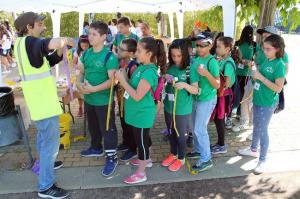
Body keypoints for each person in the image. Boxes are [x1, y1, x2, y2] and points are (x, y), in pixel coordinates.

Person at [14, 12, 74, 198]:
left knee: (43, 139)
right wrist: (65, 40)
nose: (43, 27)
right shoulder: (31, 42)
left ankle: (45, 164)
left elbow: (46, 62)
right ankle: (46, 187)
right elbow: (49, 43)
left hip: (39, 102)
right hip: (43, 103)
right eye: (39, 24)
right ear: (29, 27)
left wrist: (59, 51)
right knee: (50, 145)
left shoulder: (21, 45)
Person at [115, 37, 166, 184]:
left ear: (149, 53)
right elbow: (133, 86)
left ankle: (141, 172)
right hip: (137, 114)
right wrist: (124, 76)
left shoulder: (149, 72)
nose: (135, 53)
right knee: (142, 140)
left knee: (141, 143)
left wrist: (123, 81)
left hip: (142, 114)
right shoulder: (141, 67)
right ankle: (146, 160)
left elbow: (137, 95)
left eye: (138, 51)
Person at [238, 34, 286, 174]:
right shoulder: (267, 60)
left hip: (267, 102)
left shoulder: (279, 64)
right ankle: (253, 149)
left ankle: (263, 159)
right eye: (264, 48)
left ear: (277, 49)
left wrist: (260, 77)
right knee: (257, 125)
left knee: (263, 129)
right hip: (258, 99)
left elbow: (278, 88)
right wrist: (255, 75)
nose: (264, 51)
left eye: (268, 49)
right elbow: (261, 78)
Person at [77, 21, 119, 177]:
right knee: (93, 127)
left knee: (107, 130)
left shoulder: (109, 56)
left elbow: (113, 81)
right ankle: (96, 148)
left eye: (94, 34)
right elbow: (82, 72)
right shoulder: (86, 53)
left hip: (104, 102)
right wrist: (78, 83)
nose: (90, 37)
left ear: (103, 37)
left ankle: (111, 157)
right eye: (89, 33)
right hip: (89, 100)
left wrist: (94, 89)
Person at [162, 39, 198, 172]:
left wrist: (184, 85)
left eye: (179, 55)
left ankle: (181, 158)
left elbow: (196, 90)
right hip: (169, 106)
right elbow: (165, 76)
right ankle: (173, 153)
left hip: (182, 108)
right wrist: (166, 77)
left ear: (185, 54)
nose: (176, 58)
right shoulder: (170, 65)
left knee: (180, 134)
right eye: (173, 55)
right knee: (171, 131)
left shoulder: (191, 68)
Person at [186, 32, 220, 173]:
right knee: (194, 128)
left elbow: (217, 84)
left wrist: (206, 74)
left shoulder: (212, 62)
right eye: (197, 45)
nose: (198, 48)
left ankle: (206, 159)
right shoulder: (195, 60)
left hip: (207, 99)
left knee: (200, 129)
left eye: (201, 45)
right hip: (196, 98)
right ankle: (199, 150)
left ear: (210, 46)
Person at [211, 36, 236, 154]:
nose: (216, 48)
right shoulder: (221, 60)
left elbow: (227, 82)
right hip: (220, 94)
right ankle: (220, 143)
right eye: (216, 46)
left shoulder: (228, 63)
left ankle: (222, 145)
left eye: (219, 46)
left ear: (227, 49)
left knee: (220, 119)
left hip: (223, 95)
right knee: (217, 119)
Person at [116, 38, 139, 161]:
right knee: (124, 123)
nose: (118, 50)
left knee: (130, 126)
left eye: (121, 49)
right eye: (118, 48)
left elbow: (134, 86)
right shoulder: (122, 62)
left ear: (130, 53)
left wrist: (123, 80)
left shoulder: (134, 66)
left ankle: (132, 149)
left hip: (129, 102)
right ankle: (126, 143)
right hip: (122, 100)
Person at [256, 26, 289, 114]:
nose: (264, 39)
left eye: (267, 36)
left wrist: (266, 79)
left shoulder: (281, 56)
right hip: (258, 84)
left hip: (268, 92)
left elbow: (284, 71)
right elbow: (258, 64)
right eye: (263, 36)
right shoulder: (261, 49)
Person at [231, 25, 258, 132]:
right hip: (240, 72)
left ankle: (239, 113)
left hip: (246, 73)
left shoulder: (253, 45)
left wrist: (247, 62)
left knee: (242, 93)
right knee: (239, 92)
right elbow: (233, 56)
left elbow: (255, 58)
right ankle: (237, 112)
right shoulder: (238, 43)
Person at [70, 35, 90, 117]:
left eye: (86, 46)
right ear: (79, 45)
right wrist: (77, 67)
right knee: (79, 91)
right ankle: (80, 108)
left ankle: (87, 108)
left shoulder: (91, 51)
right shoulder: (77, 52)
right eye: (83, 46)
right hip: (79, 73)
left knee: (87, 91)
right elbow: (73, 63)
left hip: (88, 73)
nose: (84, 47)